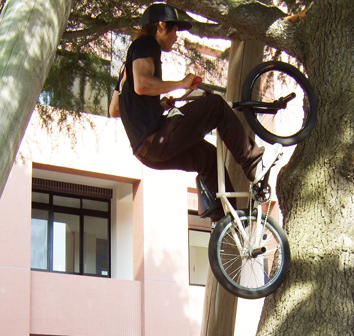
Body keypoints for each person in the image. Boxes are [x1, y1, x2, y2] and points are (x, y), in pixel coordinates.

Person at [109, 3, 275, 220]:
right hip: (156, 139)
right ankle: (254, 165)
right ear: (161, 26)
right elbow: (142, 85)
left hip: (146, 152)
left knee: (207, 158)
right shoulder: (146, 44)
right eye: (175, 30)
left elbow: (114, 109)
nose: (176, 36)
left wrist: (156, 106)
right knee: (215, 105)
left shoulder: (126, 66)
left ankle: (225, 224)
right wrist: (181, 83)